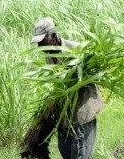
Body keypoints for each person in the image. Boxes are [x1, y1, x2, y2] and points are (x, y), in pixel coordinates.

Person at [31, 17, 104, 159]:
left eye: (42, 41)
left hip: (82, 112)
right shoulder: (49, 55)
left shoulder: (76, 49)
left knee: (80, 154)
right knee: (65, 150)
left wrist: (77, 81)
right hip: (64, 114)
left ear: (53, 35)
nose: (40, 46)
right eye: (38, 43)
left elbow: (96, 74)